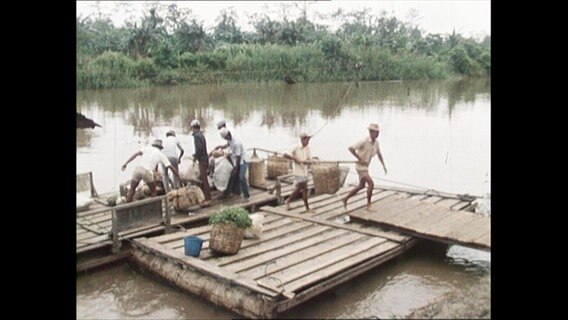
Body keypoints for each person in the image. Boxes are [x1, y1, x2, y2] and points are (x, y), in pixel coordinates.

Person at [342, 123, 388, 211]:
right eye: (375, 132)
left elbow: (379, 154)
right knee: (371, 183)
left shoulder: (376, 143)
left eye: (378, 132)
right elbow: (351, 148)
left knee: (361, 186)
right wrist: (359, 158)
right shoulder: (364, 141)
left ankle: (345, 199)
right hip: (360, 167)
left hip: (366, 167)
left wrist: (383, 165)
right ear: (371, 132)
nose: (377, 134)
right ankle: (368, 204)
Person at [214, 127, 251, 203]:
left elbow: (238, 157)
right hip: (236, 160)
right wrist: (221, 147)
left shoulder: (236, 143)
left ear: (228, 134)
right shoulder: (230, 139)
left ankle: (246, 196)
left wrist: (236, 168)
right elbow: (228, 144)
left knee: (241, 177)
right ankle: (228, 193)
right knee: (231, 176)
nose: (225, 139)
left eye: (225, 137)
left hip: (242, 160)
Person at [283, 132, 314, 213]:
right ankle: (288, 200)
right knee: (302, 186)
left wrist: (307, 162)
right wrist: (295, 159)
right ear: (303, 139)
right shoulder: (296, 146)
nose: (308, 142)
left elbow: (310, 159)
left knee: (304, 188)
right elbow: (285, 154)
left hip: (304, 171)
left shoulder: (307, 148)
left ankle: (306, 208)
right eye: (307, 139)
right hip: (298, 171)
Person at [190, 119, 212, 207]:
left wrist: (195, 157)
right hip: (205, 158)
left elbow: (198, 148)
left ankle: (208, 199)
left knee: (204, 179)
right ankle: (205, 196)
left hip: (202, 160)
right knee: (203, 178)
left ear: (193, 128)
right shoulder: (201, 134)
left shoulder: (196, 136)